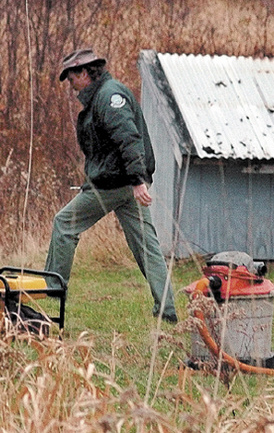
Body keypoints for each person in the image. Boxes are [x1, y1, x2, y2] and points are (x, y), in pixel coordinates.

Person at [44, 48, 177, 323]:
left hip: (118, 184)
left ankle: (51, 289)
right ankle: (167, 309)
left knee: (64, 223)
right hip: (123, 183)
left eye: (71, 79)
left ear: (84, 73)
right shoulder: (103, 95)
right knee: (146, 246)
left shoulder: (109, 97)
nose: (71, 86)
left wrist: (138, 180)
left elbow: (129, 138)